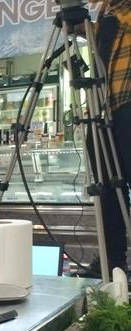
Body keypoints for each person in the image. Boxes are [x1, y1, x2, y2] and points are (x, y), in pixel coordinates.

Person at [95, 0, 131, 273]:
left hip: (127, 103)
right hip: (103, 108)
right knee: (106, 188)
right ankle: (113, 264)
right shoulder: (103, 11)